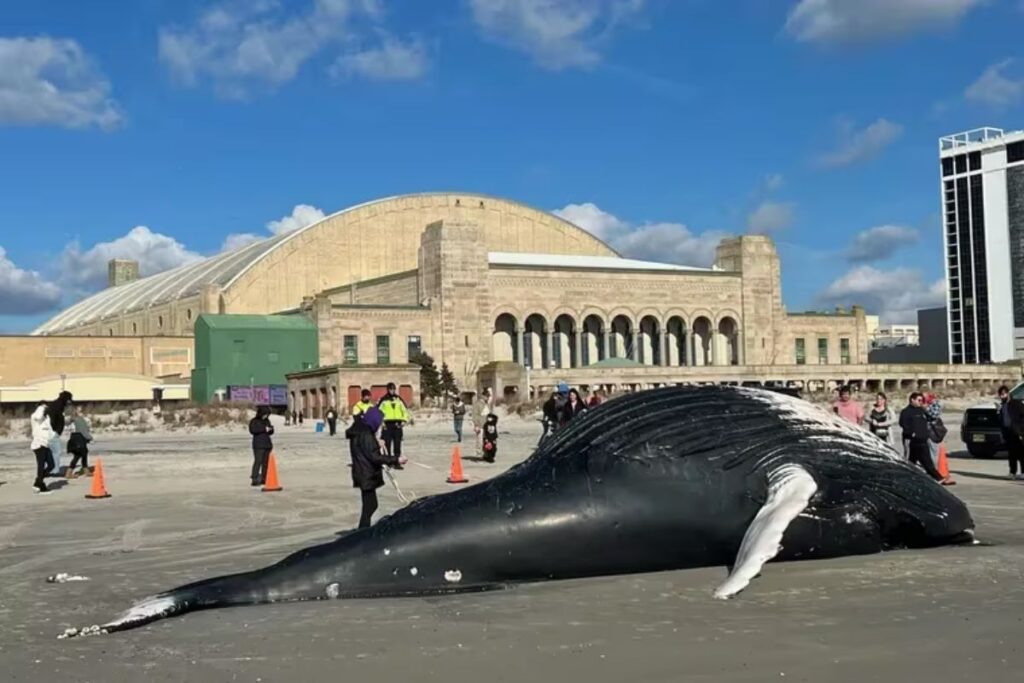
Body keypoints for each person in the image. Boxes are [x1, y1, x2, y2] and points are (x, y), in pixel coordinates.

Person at [346, 407, 405, 529]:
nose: (380, 426)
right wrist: (396, 459)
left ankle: (363, 529)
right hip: (366, 473)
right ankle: (362, 531)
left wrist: (376, 442)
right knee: (371, 505)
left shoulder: (362, 431)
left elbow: (364, 447)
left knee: (370, 504)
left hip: (363, 472)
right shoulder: (366, 434)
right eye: (379, 422)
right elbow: (375, 457)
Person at [899, 393, 951, 484]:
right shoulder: (906, 412)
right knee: (909, 461)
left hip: (923, 440)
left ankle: (938, 478)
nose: (921, 402)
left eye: (922, 400)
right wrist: (912, 434)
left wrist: (933, 403)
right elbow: (903, 424)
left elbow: (934, 415)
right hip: (911, 440)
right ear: (912, 400)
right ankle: (906, 479)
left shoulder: (922, 410)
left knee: (926, 461)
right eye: (919, 400)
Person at [29, 391, 73, 493]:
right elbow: (38, 416)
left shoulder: (46, 419)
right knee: (41, 465)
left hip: (46, 443)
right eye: (44, 406)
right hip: (38, 444)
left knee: (51, 465)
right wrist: (42, 408)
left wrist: (54, 435)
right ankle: (38, 483)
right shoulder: (36, 415)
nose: (46, 408)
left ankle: (39, 481)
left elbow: (50, 429)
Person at [377, 383, 410, 467]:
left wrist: (404, 420)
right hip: (387, 424)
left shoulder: (398, 399)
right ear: (387, 390)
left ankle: (397, 462)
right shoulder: (383, 400)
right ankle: (388, 461)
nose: (392, 391)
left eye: (393, 389)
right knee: (387, 444)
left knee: (397, 444)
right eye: (390, 389)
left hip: (397, 424)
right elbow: (378, 412)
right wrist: (381, 423)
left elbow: (405, 410)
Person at [924, 395, 954, 485]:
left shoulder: (935, 404)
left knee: (934, 454)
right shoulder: (924, 403)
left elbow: (934, 415)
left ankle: (936, 474)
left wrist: (925, 408)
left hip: (932, 433)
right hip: (924, 432)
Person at [998, 385, 1024, 480]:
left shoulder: (1016, 404)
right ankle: (1012, 472)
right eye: (1000, 395)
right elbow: (1002, 419)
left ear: (1008, 394)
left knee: (1021, 453)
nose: (1002, 396)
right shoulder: (1002, 406)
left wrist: (1021, 431)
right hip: (1008, 432)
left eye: (1003, 394)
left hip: (1017, 432)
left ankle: (1023, 472)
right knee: (1012, 454)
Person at [248, 405, 274, 487]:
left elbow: (270, 432)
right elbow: (253, 430)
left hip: (267, 445)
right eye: (265, 414)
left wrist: (271, 429)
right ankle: (254, 478)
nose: (266, 416)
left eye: (267, 414)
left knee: (265, 463)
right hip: (258, 445)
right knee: (258, 462)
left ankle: (264, 478)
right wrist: (264, 429)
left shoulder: (267, 421)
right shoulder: (254, 421)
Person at [66, 406, 93, 478]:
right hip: (79, 439)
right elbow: (83, 431)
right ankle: (69, 473)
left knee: (84, 454)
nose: (82, 413)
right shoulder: (79, 419)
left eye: (82, 411)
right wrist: (90, 438)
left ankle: (86, 471)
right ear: (77, 412)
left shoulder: (74, 419)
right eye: (80, 411)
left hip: (75, 438)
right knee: (78, 455)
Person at [473, 387, 494, 456]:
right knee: (480, 440)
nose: (487, 398)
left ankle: (486, 453)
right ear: (483, 396)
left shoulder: (488, 404)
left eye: (488, 396)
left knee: (488, 440)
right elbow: (475, 415)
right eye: (487, 396)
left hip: (487, 425)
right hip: (480, 425)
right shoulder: (477, 404)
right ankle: (479, 452)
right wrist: (476, 425)